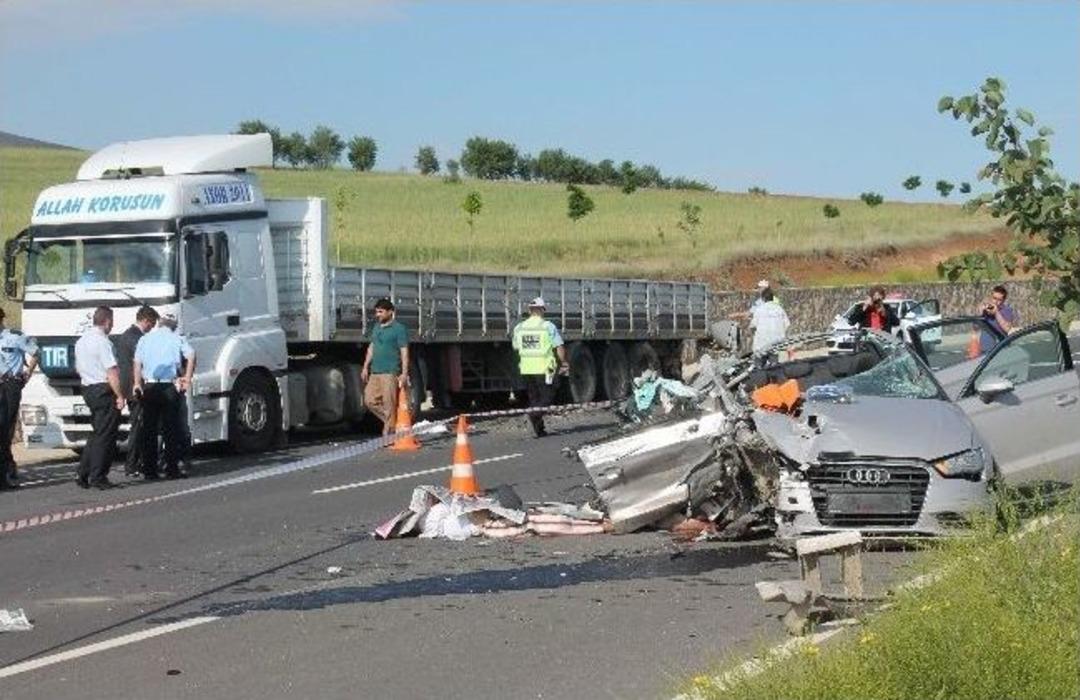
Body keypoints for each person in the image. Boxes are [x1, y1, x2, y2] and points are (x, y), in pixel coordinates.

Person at [133, 313, 194, 480]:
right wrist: (187, 378)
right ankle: (171, 469)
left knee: (149, 430)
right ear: (174, 325)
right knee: (171, 429)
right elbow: (191, 355)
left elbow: (137, 363)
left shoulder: (145, 339)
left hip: (150, 386)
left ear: (159, 324)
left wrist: (137, 383)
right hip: (169, 386)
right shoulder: (177, 338)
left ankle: (150, 470)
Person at [74, 306, 125, 489]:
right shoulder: (103, 342)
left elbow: (78, 368)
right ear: (108, 321)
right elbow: (111, 371)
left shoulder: (81, 341)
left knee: (97, 433)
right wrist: (119, 395)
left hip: (88, 388)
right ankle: (98, 476)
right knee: (106, 436)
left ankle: (83, 472)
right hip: (103, 389)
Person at [511, 297, 569, 438]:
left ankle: (540, 430)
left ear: (530, 311)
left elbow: (516, 347)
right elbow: (559, 347)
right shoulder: (547, 326)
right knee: (547, 397)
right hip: (544, 369)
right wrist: (564, 363)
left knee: (534, 399)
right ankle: (533, 413)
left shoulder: (519, 328)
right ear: (542, 310)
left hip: (526, 369)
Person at [113, 306, 159, 477]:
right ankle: (132, 463)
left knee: (138, 425)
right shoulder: (136, 338)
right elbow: (141, 361)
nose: (151, 328)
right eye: (151, 324)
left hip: (128, 385)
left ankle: (136, 461)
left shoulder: (127, 335)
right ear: (145, 320)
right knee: (138, 427)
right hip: (135, 387)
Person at [0, 308, 39, 490]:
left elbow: (36, 352)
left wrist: (27, 375)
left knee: (6, 427)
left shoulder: (14, 336)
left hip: (10, 385)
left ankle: (6, 470)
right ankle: (8, 465)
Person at [360, 298, 410, 436]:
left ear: (390, 312)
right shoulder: (376, 328)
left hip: (390, 372)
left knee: (389, 403)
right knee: (369, 401)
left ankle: (388, 433)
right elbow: (372, 347)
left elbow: (404, 351)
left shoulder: (399, 329)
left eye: (381, 312)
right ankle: (393, 422)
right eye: (377, 312)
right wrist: (365, 366)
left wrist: (404, 373)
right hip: (375, 371)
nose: (378, 315)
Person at [978, 284, 1018, 354]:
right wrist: (980, 312)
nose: (996, 302)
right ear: (991, 297)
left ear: (1004, 300)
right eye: (994, 298)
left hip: (1000, 350)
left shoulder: (1007, 310)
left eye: (999, 300)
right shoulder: (986, 308)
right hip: (985, 349)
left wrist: (996, 313)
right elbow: (975, 326)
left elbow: (1007, 329)